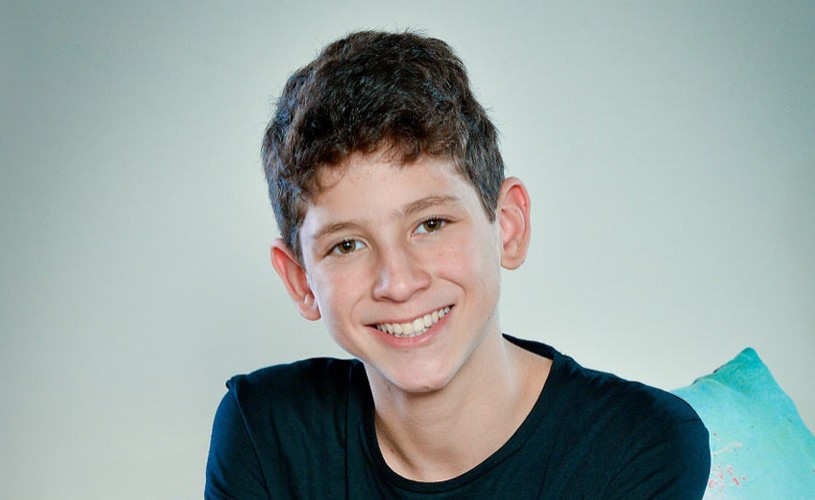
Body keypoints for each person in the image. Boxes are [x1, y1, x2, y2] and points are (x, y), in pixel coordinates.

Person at [205, 30, 710, 499]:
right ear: (300, 281)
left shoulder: (642, 444)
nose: (398, 283)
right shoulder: (263, 431)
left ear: (507, 226)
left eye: (431, 224)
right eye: (347, 245)